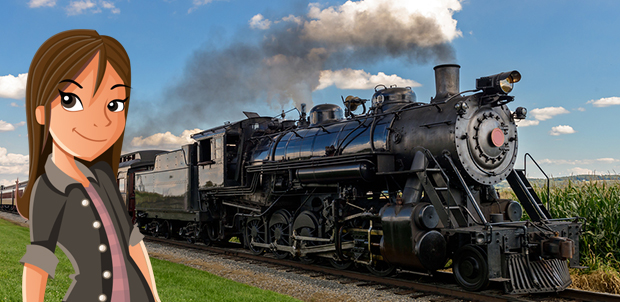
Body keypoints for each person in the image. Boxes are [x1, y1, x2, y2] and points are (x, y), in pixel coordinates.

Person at [16, 29, 161, 302]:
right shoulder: (48, 189)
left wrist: (154, 295)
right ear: (42, 112)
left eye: (114, 104)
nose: (100, 122)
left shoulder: (103, 176)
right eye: (72, 101)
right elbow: (38, 263)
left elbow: (133, 243)